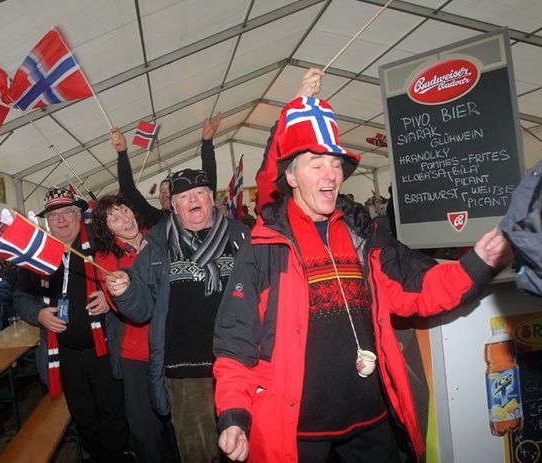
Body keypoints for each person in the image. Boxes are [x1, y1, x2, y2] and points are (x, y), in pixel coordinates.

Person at [212, 68, 514, 463]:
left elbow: (419, 285)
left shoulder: (362, 234)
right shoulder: (265, 246)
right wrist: (234, 415)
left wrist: (479, 262)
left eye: (335, 164)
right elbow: (235, 339)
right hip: (298, 426)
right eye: (316, 163)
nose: (331, 174)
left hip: (371, 417)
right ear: (291, 176)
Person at [106, 168, 249, 462]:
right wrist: (124, 292)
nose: (192, 200)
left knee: (247, 448)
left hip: (239, 364)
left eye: (199, 193)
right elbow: (142, 307)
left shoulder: (241, 236)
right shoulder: (156, 244)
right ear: (174, 205)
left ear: (211, 198)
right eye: (183, 196)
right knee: (198, 452)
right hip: (186, 372)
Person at [14, 187, 133, 463]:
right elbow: (19, 296)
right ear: (47, 220)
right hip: (64, 356)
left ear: (80, 215)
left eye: (68, 212)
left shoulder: (100, 241)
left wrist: (111, 296)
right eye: (55, 215)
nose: (62, 220)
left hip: (103, 350)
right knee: (83, 415)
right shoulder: (36, 253)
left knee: (113, 412)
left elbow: (130, 267)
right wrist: (39, 313)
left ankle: (117, 457)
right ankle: (97, 455)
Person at [93, 194, 181, 463]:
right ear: (107, 229)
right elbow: (123, 308)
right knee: (145, 429)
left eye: (125, 210)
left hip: (173, 347)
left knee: (179, 423)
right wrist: (126, 283)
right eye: (115, 218)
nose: (125, 219)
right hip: (137, 355)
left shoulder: (160, 238)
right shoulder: (105, 259)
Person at [111, 113, 222, 228]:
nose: (163, 193)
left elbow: (208, 179)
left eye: (167, 189)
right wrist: (122, 152)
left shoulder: (203, 212)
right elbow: (128, 190)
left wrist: (207, 142)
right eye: (161, 190)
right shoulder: (159, 219)